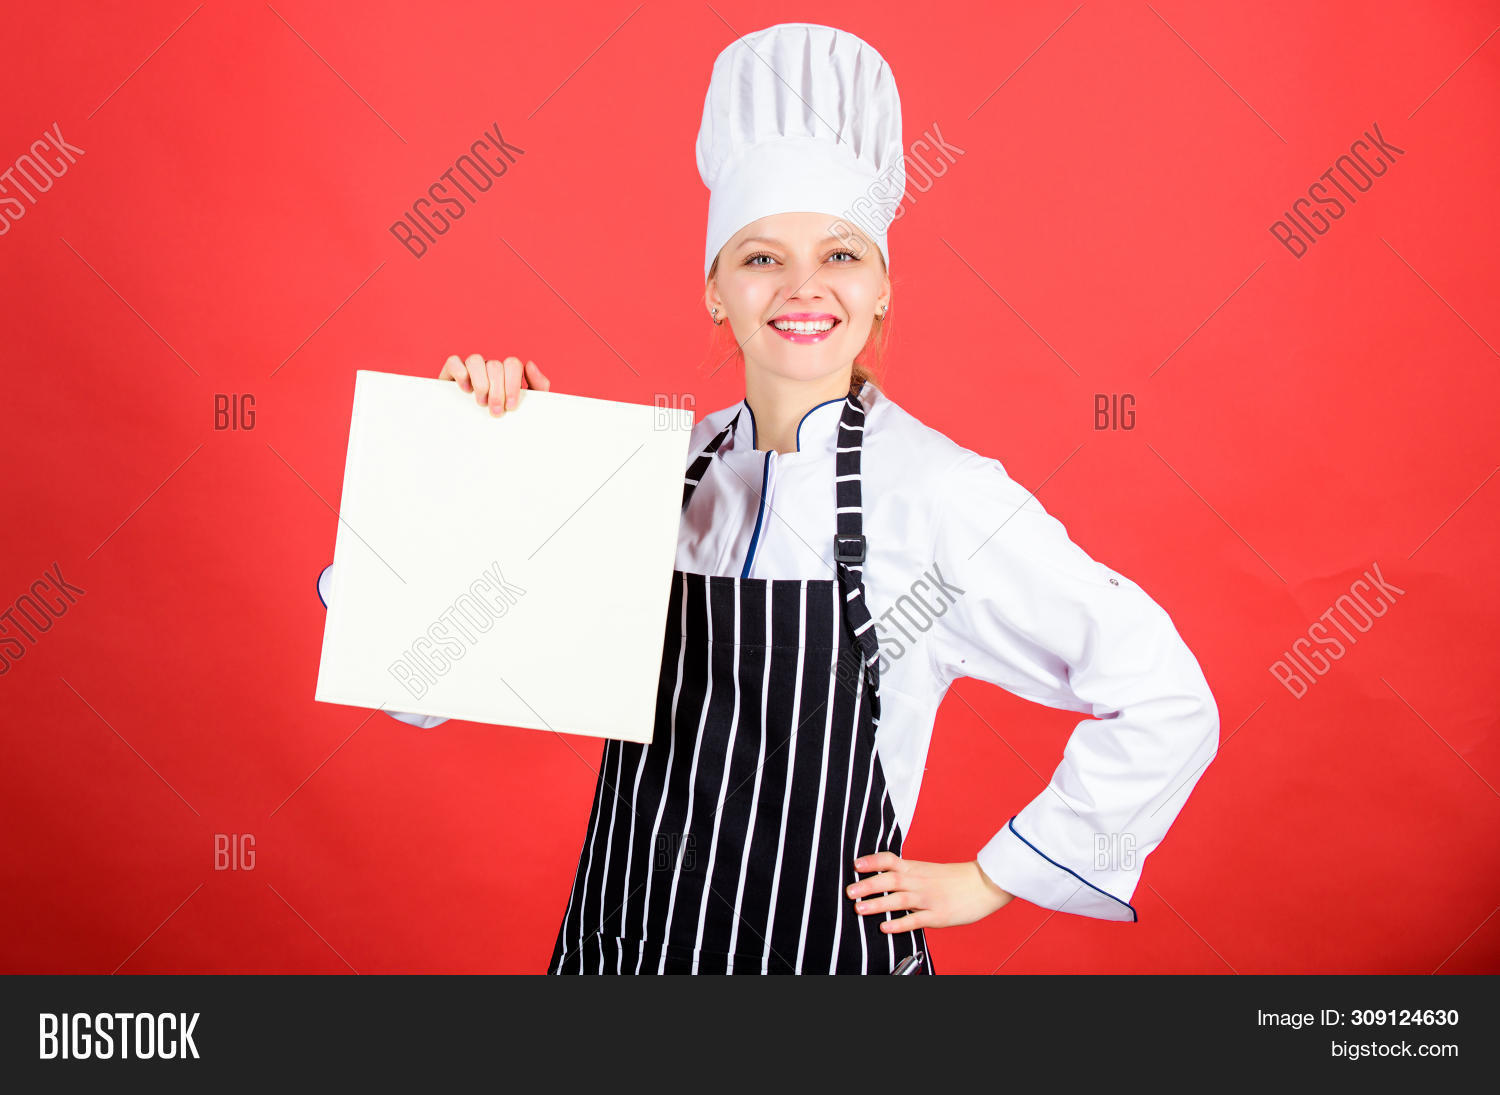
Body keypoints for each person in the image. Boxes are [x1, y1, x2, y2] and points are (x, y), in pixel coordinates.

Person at [317, 22, 1219, 975]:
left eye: (841, 256)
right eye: (759, 258)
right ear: (714, 289)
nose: (802, 287)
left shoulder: (939, 494)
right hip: (621, 947)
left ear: (882, 290)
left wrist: (998, 875)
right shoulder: (654, 476)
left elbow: (1167, 694)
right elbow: (418, 677)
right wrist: (481, 458)